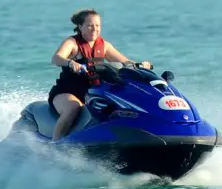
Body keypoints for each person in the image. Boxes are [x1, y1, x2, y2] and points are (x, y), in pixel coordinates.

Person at [47, 8, 151, 140]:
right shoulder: (72, 43)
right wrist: (70, 63)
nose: (94, 29)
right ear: (80, 26)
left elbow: (124, 62)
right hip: (66, 92)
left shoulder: (104, 45)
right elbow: (56, 58)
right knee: (73, 108)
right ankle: (55, 144)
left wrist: (139, 65)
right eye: (90, 25)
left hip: (92, 92)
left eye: (97, 25)